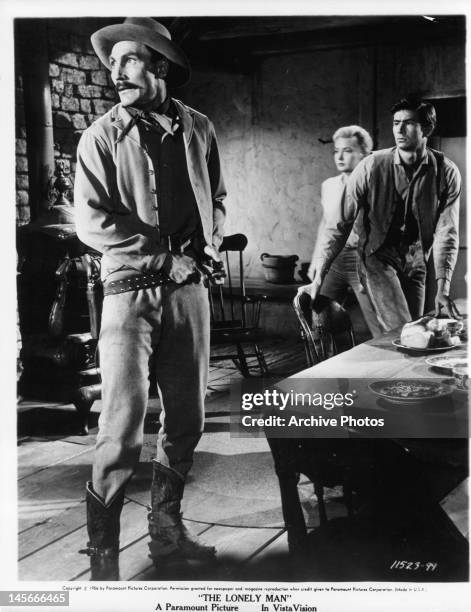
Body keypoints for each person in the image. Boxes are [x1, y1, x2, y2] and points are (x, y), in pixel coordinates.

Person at [74, 17, 226, 580]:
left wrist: (206, 249)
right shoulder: (100, 136)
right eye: (111, 64)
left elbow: (218, 196)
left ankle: (166, 537)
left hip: (190, 290)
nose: (116, 73)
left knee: (187, 417)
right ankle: (103, 566)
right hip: (128, 294)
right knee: (122, 426)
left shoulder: (200, 128)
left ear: (160, 65)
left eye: (129, 60)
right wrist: (165, 256)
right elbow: (91, 221)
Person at [302, 97, 461, 332]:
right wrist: (318, 278)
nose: (399, 129)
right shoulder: (371, 165)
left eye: (408, 123)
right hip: (377, 257)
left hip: (417, 262)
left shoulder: (445, 172)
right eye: (396, 122)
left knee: (414, 330)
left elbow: (447, 233)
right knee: (404, 330)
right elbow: (338, 224)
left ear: (427, 128)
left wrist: (443, 289)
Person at [309, 126, 383, 337]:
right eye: (336, 151)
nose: (340, 156)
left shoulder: (375, 185)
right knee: (320, 317)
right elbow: (326, 225)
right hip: (335, 259)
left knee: (379, 323)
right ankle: (324, 366)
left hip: (364, 259)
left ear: (365, 154)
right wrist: (316, 263)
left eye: (348, 150)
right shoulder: (329, 186)